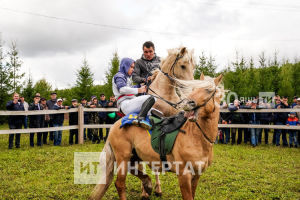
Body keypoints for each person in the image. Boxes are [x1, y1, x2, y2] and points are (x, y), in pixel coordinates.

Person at [113, 57, 156, 129]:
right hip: (125, 104)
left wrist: (143, 83)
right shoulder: (119, 75)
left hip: (130, 102)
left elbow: (131, 88)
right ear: (125, 66)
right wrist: (139, 90)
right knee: (151, 98)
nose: (133, 69)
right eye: (131, 67)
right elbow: (122, 89)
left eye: (133, 67)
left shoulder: (126, 78)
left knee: (155, 111)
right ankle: (140, 119)